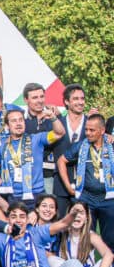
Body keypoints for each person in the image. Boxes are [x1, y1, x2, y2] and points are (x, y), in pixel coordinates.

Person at [57, 114, 114, 252]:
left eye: (92, 130)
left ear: (102, 130)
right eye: (86, 129)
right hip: (86, 198)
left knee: (111, 239)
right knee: (85, 237)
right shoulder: (81, 146)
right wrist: (68, 186)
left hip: (109, 199)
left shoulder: (111, 145)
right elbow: (61, 161)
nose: (88, 133)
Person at [0, 108, 64, 208]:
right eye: (14, 121)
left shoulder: (37, 139)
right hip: (13, 197)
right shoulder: (3, 147)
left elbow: (59, 133)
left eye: (21, 120)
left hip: (37, 196)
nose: (18, 123)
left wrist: (53, 118)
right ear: (7, 126)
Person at [49, 202, 114, 267]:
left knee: (105, 264)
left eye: (81, 213)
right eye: (74, 212)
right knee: (52, 260)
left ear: (86, 218)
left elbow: (109, 255)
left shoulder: (91, 235)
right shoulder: (60, 233)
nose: (77, 216)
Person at [53, 84, 87, 215]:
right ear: (67, 101)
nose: (80, 102)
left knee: (84, 225)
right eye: (76, 99)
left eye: (82, 98)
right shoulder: (56, 124)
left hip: (85, 185)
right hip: (60, 184)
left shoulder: (91, 125)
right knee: (60, 225)